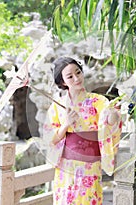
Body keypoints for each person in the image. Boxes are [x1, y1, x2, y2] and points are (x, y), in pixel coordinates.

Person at [43, 57, 122, 205]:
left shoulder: (99, 101)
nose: (76, 78)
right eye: (70, 76)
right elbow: (50, 139)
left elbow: (110, 125)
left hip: (90, 165)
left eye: (78, 73)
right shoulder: (57, 106)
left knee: (89, 199)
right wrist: (66, 124)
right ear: (62, 82)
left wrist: (113, 116)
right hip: (65, 167)